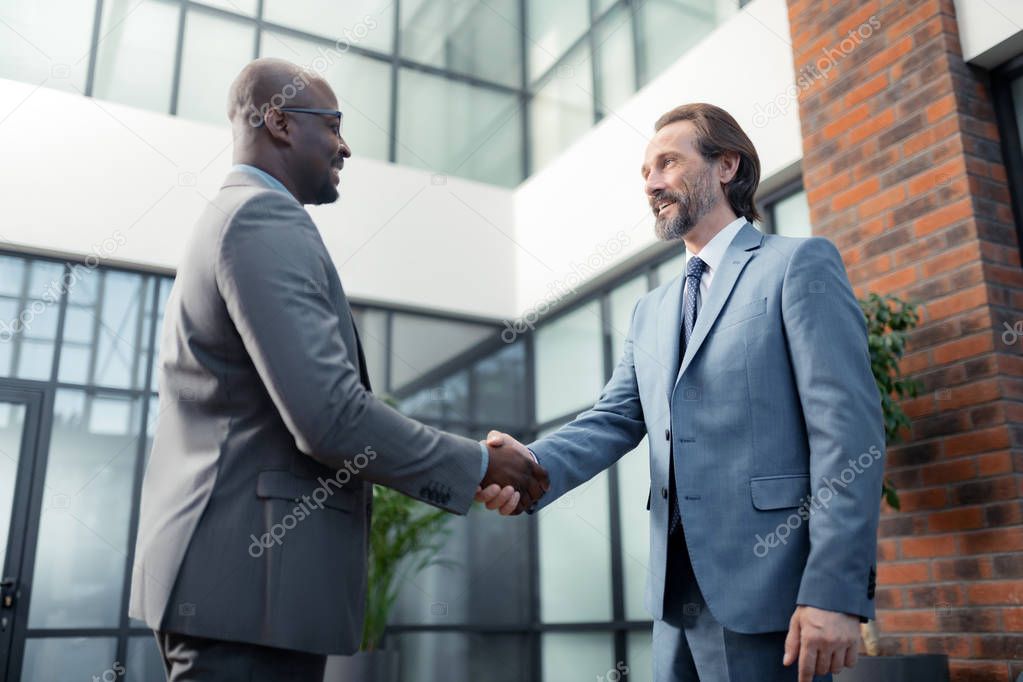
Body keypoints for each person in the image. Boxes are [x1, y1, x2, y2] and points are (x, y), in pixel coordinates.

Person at [128, 58, 546, 682]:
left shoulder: (237, 217)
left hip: (242, 595)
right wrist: (481, 465)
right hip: (249, 596)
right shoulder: (260, 220)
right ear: (278, 122)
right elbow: (330, 417)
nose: (345, 146)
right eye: (333, 125)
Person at [480, 103, 883, 682]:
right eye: (644, 172)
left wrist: (835, 592)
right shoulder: (651, 309)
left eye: (667, 162)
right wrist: (530, 463)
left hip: (775, 595)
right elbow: (615, 418)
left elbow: (848, 436)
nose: (652, 183)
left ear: (726, 166)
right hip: (673, 600)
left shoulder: (798, 265)